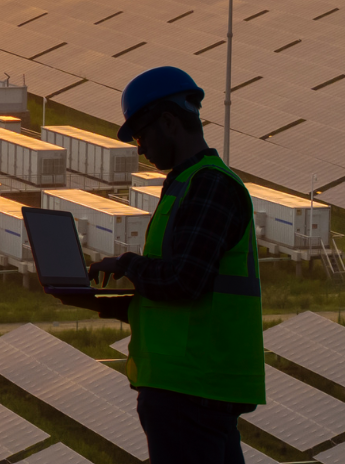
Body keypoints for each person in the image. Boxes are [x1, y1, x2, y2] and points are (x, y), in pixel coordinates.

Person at [61, 66, 266, 464]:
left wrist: (126, 264)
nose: (139, 149)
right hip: (193, 389)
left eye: (140, 135)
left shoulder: (209, 186)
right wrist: (97, 302)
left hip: (192, 389)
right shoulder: (188, 183)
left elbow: (184, 282)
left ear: (169, 123)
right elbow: (176, 301)